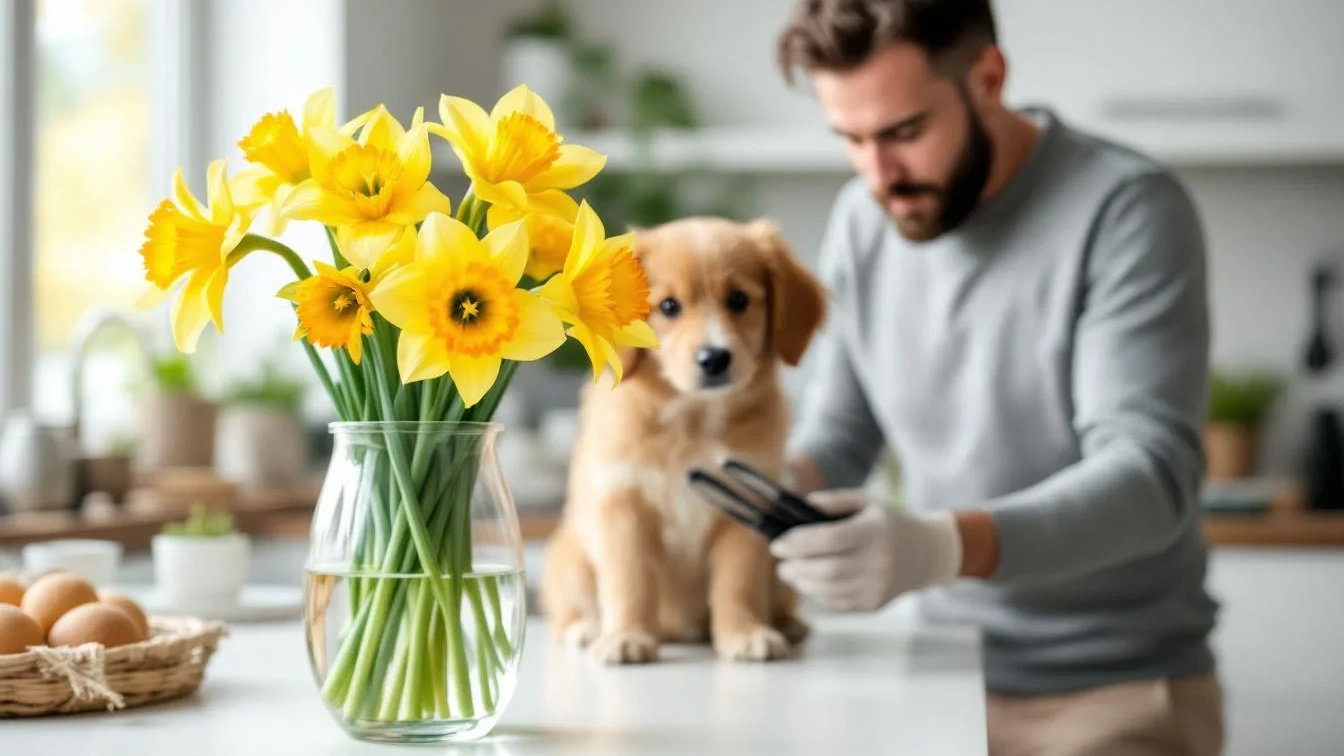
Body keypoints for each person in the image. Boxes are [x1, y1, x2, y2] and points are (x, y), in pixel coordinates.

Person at [770, 1, 1224, 754]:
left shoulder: (1125, 209)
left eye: (904, 132)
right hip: (939, 673)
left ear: (988, 78)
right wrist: (771, 486)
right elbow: (843, 434)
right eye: (850, 139)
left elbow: (1150, 477)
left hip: (1114, 690)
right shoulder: (863, 220)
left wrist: (942, 546)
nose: (880, 175)